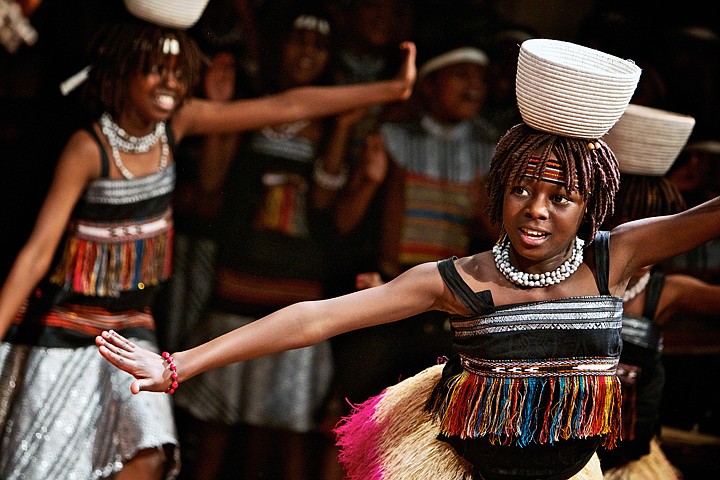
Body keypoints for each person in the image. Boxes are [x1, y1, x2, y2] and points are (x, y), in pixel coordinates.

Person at [95, 39, 720, 480]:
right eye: (521, 190)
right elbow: (317, 318)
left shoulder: (616, 260)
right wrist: (180, 364)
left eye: (561, 198)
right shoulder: (460, 279)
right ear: (497, 193)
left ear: (590, 207)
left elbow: (706, 218)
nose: (537, 209)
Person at [0, 0, 417, 478]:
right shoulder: (88, 146)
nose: (170, 84)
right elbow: (37, 253)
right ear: (122, 70)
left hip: (132, 319)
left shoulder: (177, 123)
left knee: (148, 454)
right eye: (155, 70)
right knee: (48, 462)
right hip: (66, 319)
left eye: (179, 73)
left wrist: (391, 88)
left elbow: (289, 105)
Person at [167, 7, 369, 479]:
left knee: (285, 431)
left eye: (318, 46)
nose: (306, 53)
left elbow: (324, 200)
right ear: (278, 48)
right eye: (298, 41)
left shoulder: (334, 121)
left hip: (296, 289)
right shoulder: (250, 107)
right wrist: (219, 108)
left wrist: (340, 129)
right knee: (218, 420)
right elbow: (213, 179)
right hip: (238, 280)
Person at [596, 103, 718, 479]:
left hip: (630, 460)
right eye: (629, 224)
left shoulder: (668, 292)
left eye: (658, 230)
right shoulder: (565, 279)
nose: (646, 241)